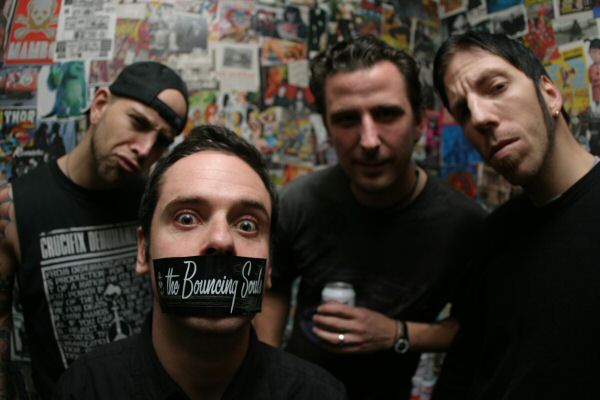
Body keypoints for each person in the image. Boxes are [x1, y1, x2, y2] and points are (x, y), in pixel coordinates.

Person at [253, 35, 485, 400]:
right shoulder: (298, 202)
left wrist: (397, 333)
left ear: (419, 122)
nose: (369, 140)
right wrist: (265, 373)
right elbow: (275, 285)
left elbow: (477, 329)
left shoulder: (464, 225)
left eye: (387, 114)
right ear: (327, 128)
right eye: (347, 119)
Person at [54, 125, 348, 399]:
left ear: (269, 267)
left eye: (247, 225)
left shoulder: (319, 394)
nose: (221, 240)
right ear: (143, 250)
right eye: (186, 218)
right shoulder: (85, 389)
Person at [0, 61, 189, 399]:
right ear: (100, 105)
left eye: (162, 141)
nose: (145, 149)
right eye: (138, 123)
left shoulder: (158, 205)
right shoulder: (14, 209)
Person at [432, 31, 600, 398]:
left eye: (496, 87)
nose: (479, 118)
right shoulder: (494, 234)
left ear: (550, 93)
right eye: (464, 112)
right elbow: (463, 367)